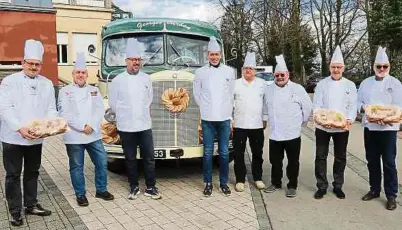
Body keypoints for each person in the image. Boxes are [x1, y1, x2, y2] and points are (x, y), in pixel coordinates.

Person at [0, 39, 56, 226]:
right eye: (30, 63)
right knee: (13, 175)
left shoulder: (47, 83)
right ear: (23, 63)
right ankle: (15, 211)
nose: (33, 67)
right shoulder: (9, 81)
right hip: (13, 137)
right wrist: (19, 127)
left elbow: (51, 109)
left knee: (32, 171)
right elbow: (5, 108)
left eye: (37, 64)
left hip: (36, 139)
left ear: (41, 65)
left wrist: (49, 127)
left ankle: (31, 204)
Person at [58, 52, 114, 206]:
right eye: (78, 72)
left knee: (102, 162)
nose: (80, 75)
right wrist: (82, 127)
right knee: (77, 166)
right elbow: (64, 113)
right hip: (74, 136)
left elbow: (99, 109)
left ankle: (101, 190)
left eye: (83, 72)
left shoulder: (94, 90)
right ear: (73, 74)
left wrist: (91, 125)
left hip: (93, 134)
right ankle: (80, 194)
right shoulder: (64, 91)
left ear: (87, 74)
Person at [108, 38, 161, 200]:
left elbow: (149, 99)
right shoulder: (117, 80)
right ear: (126, 61)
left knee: (149, 158)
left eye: (138, 60)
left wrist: (139, 112)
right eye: (133, 60)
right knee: (130, 159)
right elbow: (113, 103)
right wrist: (126, 114)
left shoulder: (146, 78)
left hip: (144, 124)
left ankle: (151, 187)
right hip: (126, 126)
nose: (136, 62)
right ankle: (134, 187)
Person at [357, 46, 402, 210]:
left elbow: (398, 106)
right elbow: (358, 103)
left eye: (385, 66)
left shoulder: (395, 83)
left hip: (388, 129)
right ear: (374, 67)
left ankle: (391, 195)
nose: (381, 69)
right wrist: (364, 108)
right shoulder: (365, 83)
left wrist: (386, 118)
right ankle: (374, 189)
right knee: (372, 161)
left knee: (389, 162)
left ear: (388, 67)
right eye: (378, 66)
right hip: (370, 128)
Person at [263, 55, 312, 197]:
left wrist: (302, 123)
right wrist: (265, 120)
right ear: (274, 75)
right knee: (275, 161)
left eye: (282, 75)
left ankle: (292, 185)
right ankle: (276, 183)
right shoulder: (268, 89)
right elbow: (265, 107)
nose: (279, 77)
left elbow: (307, 107)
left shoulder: (298, 89)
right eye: (277, 75)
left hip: (292, 133)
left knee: (293, 161)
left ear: (288, 75)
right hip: (275, 133)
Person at [312, 45, 357, 199]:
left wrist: (349, 120)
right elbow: (317, 104)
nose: (336, 70)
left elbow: (353, 105)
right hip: (322, 127)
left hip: (342, 128)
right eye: (333, 67)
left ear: (343, 68)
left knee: (340, 157)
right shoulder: (322, 84)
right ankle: (322, 186)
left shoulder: (350, 85)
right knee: (320, 156)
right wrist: (321, 120)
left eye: (338, 67)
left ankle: (338, 186)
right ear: (329, 68)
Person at [193, 36, 236, 197]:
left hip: (224, 118)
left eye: (216, 54)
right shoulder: (200, 72)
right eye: (211, 54)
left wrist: (229, 115)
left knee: (224, 152)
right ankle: (208, 183)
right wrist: (206, 108)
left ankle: (223, 183)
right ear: (208, 55)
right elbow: (197, 95)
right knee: (207, 152)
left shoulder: (229, 71)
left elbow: (231, 94)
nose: (214, 57)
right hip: (208, 119)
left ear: (220, 55)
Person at [232, 52, 267, 192]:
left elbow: (266, 103)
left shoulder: (262, 84)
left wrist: (265, 118)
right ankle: (240, 180)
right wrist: (230, 119)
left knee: (257, 152)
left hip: (257, 124)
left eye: (251, 68)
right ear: (242, 70)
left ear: (255, 71)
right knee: (238, 153)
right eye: (246, 68)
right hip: (239, 124)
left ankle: (257, 178)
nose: (248, 71)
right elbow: (229, 103)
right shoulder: (235, 84)